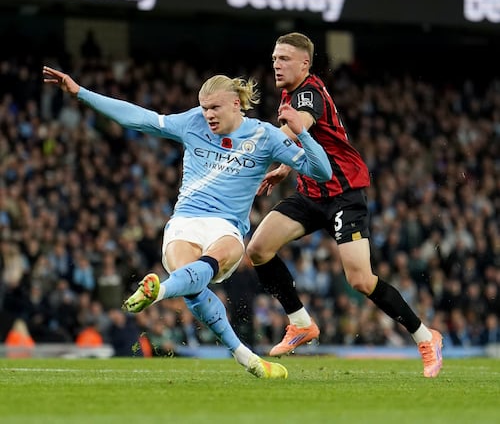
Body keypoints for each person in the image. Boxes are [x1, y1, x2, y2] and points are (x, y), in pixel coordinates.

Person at [43, 66, 332, 379]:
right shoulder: (193, 121)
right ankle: (246, 357)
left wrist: (302, 133)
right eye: (204, 107)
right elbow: (140, 118)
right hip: (185, 221)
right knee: (192, 284)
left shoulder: (266, 136)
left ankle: (159, 291)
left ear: (236, 104)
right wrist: (81, 93)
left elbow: (322, 173)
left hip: (226, 226)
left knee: (217, 258)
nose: (207, 114)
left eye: (214, 108)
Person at [245, 32, 443, 378]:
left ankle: (426, 338)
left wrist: (254, 152)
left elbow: (300, 127)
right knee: (259, 249)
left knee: (361, 280)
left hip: (344, 194)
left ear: (304, 63)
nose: (276, 63)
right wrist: (285, 167)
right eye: (275, 57)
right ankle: (300, 323)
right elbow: (310, 140)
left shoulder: (308, 94)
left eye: (284, 58)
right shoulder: (289, 94)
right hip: (311, 192)